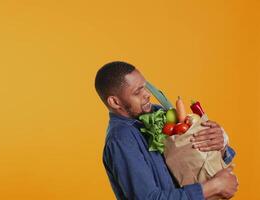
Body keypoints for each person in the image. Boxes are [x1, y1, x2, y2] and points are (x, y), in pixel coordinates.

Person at [94, 61, 238, 200]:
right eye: (137, 92)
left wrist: (220, 142)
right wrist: (213, 187)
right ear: (115, 102)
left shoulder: (157, 114)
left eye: (145, 87)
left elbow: (190, 155)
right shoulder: (121, 140)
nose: (147, 94)